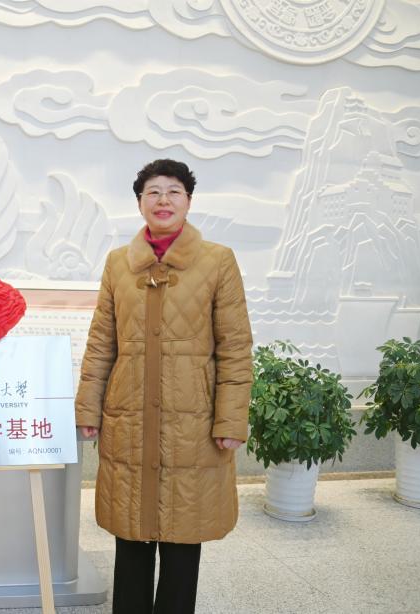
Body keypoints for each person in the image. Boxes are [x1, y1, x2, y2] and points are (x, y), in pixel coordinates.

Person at [75, 159, 252, 614]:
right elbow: (101, 342)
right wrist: (88, 408)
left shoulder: (217, 260)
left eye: (174, 191)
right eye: (152, 192)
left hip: (192, 423)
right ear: (140, 203)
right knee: (131, 532)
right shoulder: (118, 264)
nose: (163, 200)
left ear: (189, 201)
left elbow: (235, 347)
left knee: (182, 534)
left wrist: (231, 419)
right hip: (129, 417)